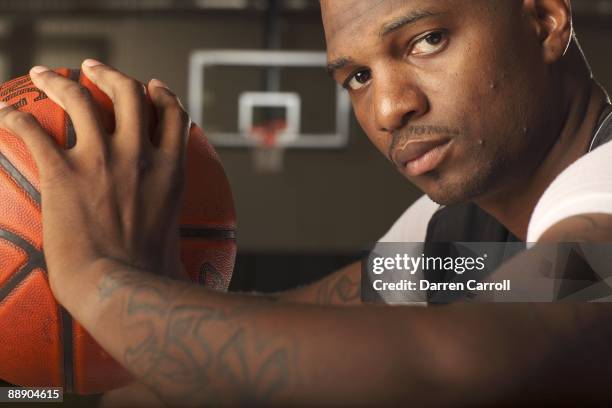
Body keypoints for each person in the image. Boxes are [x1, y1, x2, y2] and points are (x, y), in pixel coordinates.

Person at [0, 0, 611, 405]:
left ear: (545, 20)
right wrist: (152, 316)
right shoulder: (457, 238)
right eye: (358, 78)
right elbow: (311, 315)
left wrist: (97, 279)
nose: (389, 109)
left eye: (426, 40)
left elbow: (465, 364)